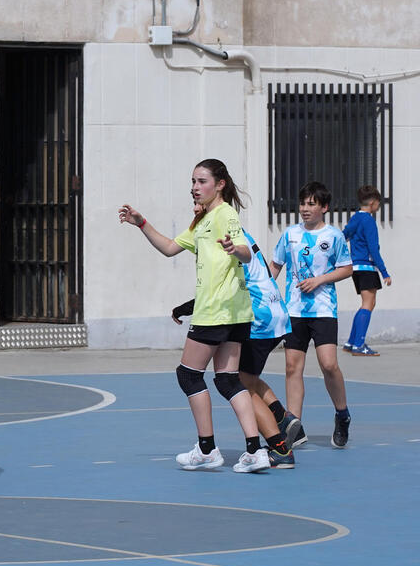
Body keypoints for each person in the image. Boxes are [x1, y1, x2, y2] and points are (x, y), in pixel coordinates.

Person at [119, 159, 268, 473]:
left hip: (215, 311)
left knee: (188, 375)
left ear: (220, 184)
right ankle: (255, 451)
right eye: (193, 181)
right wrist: (141, 222)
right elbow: (171, 247)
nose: (194, 188)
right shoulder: (201, 220)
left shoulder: (224, 213)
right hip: (236, 312)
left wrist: (234, 248)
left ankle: (207, 449)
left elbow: (246, 250)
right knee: (228, 380)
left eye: (201, 181)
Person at [171, 201, 296, 469]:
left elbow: (222, 288)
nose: (194, 207)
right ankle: (281, 416)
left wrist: (189, 308)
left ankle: (278, 448)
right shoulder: (237, 232)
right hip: (273, 311)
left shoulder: (221, 230)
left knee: (235, 383)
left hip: (256, 314)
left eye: (198, 200)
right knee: (243, 379)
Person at [270, 181, 354, 448]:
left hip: (323, 309)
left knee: (328, 364)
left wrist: (319, 280)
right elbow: (275, 266)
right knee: (292, 367)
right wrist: (267, 297)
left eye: (311, 204)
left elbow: (346, 269)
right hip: (293, 310)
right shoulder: (290, 234)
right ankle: (294, 426)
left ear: (324, 207)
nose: (305, 209)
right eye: (302, 203)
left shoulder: (334, 236)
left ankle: (342, 415)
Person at [342, 185, 392, 356]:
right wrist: (384, 272)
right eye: (378, 203)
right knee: (368, 304)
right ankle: (359, 345)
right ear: (372, 202)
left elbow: (344, 236)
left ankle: (351, 342)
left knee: (365, 304)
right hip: (367, 267)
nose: (378, 206)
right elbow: (373, 247)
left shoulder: (355, 218)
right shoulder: (369, 220)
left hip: (356, 267)